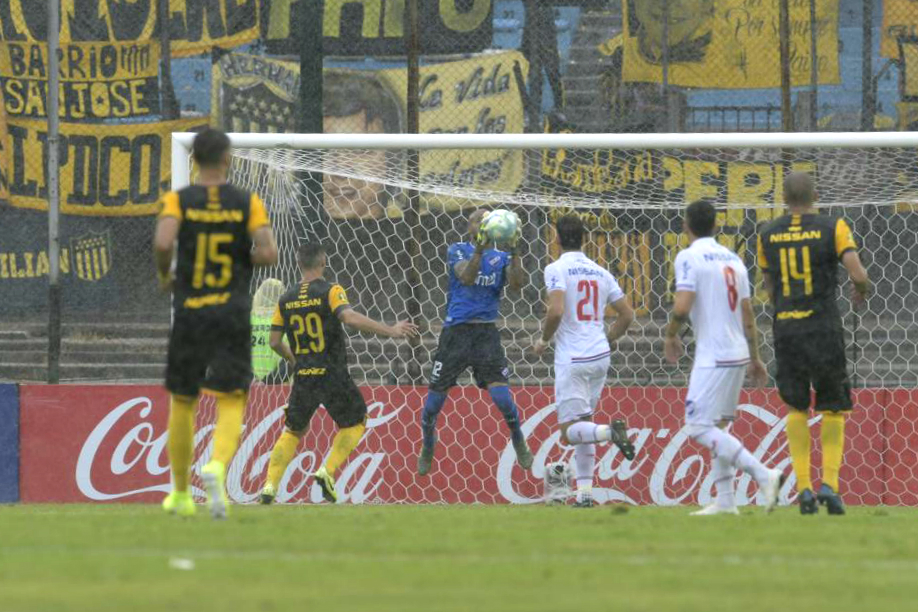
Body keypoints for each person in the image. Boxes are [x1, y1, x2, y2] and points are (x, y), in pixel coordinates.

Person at [154, 127, 279, 519]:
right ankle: (216, 466)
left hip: (191, 309)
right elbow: (269, 251)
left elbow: (162, 242)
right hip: (232, 311)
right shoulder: (247, 202)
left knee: (184, 399)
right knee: (232, 398)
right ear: (227, 159)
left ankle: (179, 493)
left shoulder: (179, 199)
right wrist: (241, 261)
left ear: (193, 160)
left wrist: (166, 276)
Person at [260, 243, 418, 504]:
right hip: (331, 372)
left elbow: (274, 342)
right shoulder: (331, 291)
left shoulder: (285, 299)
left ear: (299, 264)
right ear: (323, 261)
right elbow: (349, 318)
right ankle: (327, 471)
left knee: (292, 431)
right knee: (356, 422)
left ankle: (269, 487)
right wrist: (390, 330)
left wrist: (295, 359)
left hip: (304, 375)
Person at [758, 173, 870, 515]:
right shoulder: (833, 227)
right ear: (815, 195)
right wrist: (860, 290)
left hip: (787, 328)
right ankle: (830, 486)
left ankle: (804, 489)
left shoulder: (768, 234)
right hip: (823, 326)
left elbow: (769, 285)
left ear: (783, 197)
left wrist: (785, 309)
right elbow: (858, 273)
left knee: (795, 407)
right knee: (833, 406)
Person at [665, 200, 784, 515]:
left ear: (685, 226)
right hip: (738, 353)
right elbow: (747, 314)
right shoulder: (734, 260)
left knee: (699, 427)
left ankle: (764, 475)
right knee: (719, 426)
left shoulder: (688, 257)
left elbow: (682, 305)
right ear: (716, 226)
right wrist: (756, 357)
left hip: (714, 354)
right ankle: (727, 501)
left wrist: (670, 333)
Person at [532, 214, 637, 508]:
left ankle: (610, 432)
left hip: (573, 357)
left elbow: (555, 311)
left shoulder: (556, 268)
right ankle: (585, 495)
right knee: (584, 423)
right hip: (600, 355)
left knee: (569, 433)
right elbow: (627, 314)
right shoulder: (601, 272)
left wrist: (543, 340)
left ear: (556, 238)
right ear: (585, 239)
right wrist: (609, 339)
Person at [418, 209, 532, 475]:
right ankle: (427, 444)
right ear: (470, 227)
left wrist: (515, 252)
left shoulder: (502, 257)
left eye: (485, 220)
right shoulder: (457, 249)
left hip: (485, 335)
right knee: (433, 405)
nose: (479, 223)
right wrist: (479, 251)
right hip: (455, 334)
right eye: (475, 220)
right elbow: (466, 277)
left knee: (502, 399)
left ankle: (518, 438)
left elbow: (518, 284)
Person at [322, 70, 404, 220]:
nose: (341, 170)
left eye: (359, 150)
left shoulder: (418, 235)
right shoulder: (275, 237)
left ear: (392, 158)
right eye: (324, 150)